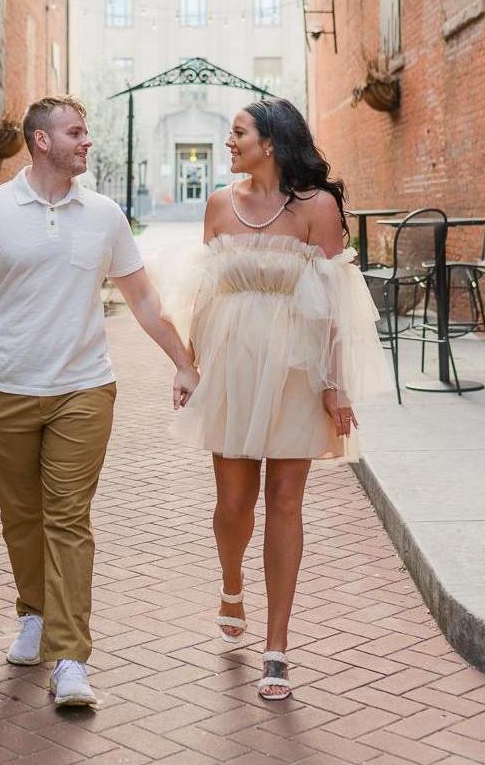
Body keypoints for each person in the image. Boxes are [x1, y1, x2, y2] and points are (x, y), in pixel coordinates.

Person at [0, 94, 199, 709]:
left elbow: (144, 301)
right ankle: (34, 614)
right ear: (42, 141)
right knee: (21, 515)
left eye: (86, 133)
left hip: (83, 390)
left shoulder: (105, 215)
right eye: (76, 133)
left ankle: (69, 659)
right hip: (1, 391)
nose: (87, 142)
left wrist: (184, 361)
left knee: (67, 519)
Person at [168, 98, 383, 700]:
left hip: (296, 371)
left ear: (271, 142)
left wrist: (336, 384)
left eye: (238, 133)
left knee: (286, 503)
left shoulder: (317, 208)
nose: (229, 142)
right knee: (234, 505)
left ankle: (277, 647)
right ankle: (231, 583)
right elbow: (203, 293)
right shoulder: (219, 205)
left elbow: (337, 303)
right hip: (233, 370)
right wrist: (189, 366)